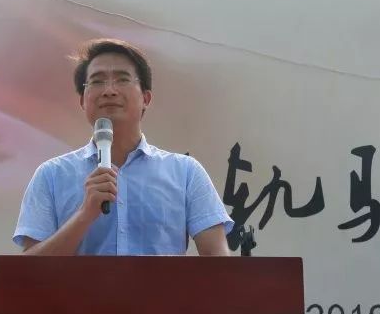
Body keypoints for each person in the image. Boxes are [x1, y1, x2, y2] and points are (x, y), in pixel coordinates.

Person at [12, 38, 232, 256]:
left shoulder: (185, 173)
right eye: (97, 81)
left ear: (146, 98)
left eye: (122, 79)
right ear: (83, 101)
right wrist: (85, 214)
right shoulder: (51, 175)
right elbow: (28, 270)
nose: (109, 90)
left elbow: (218, 262)